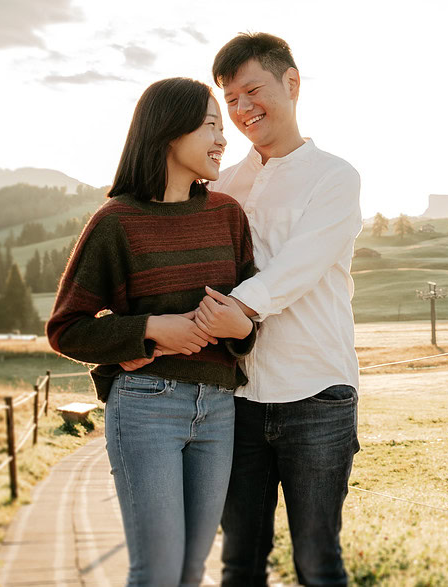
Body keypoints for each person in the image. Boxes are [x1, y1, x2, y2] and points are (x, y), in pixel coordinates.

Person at [46, 77, 258, 587]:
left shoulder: (227, 215)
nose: (222, 139)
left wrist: (243, 331)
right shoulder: (116, 221)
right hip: (146, 407)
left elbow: (250, 313)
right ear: (168, 131)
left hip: (219, 409)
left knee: (190, 572)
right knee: (158, 573)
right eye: (210, 125)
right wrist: (151, 329)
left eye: (221, 128)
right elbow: (66, 328)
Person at [197, 33, 362, 585]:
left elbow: (300, 264)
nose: (243, 108)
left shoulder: (335, 176)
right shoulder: (223, 184)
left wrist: (239, 311)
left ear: (291, 83)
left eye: (253, 91)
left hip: (317, 392)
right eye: (231, 99)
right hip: (237, 399)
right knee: (240, 560)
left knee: (317, 561)